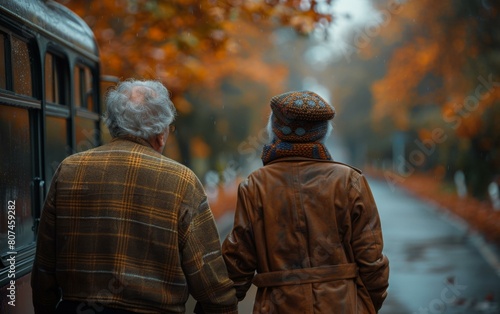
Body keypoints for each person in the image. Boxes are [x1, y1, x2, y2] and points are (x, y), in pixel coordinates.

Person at [31, 79, 238, 314]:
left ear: (113, 125)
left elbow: (44, 268)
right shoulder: (182, 182)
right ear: (160, 133)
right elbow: (212, 286)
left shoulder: (69, 170)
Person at [222, 91, 390, 313]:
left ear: (274, 130)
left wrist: (219, 306)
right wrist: (367, 305)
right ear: (324, 133)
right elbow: (372, 260)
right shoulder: (349, 181)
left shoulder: (255, 185)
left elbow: (238, 262)